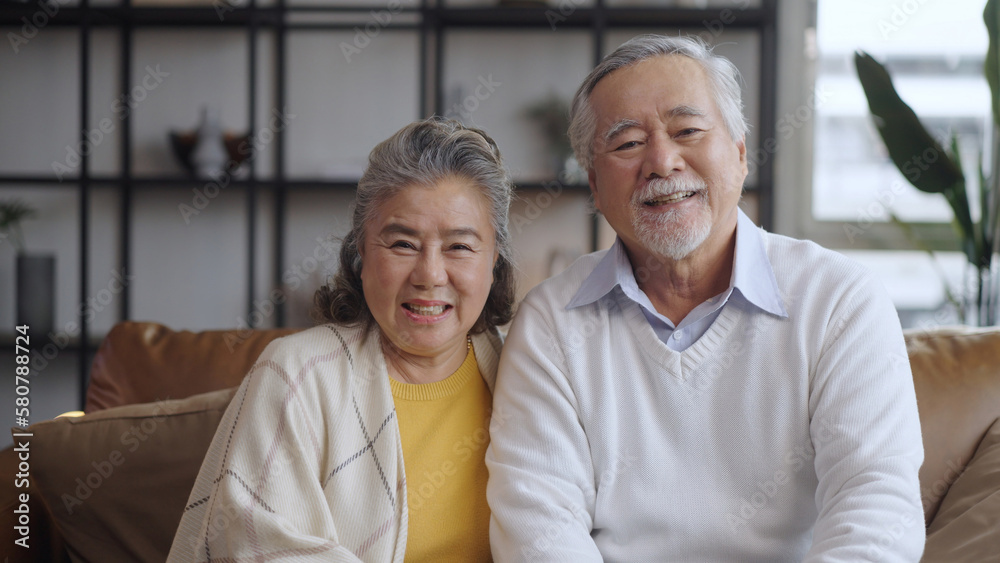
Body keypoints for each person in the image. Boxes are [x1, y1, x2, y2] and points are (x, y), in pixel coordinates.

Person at [486, 35, 924, 562]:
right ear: (596, 187)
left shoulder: (839, 302)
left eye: (688, 130)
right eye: (626, 143)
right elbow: (540, 528)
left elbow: (876, 508)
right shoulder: (551, 323)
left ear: (739, 156)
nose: (662, 161)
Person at [168, 117, 515, 562]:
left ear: (493, 262)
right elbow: (259, 546)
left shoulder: (526, 370)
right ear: (361, 255)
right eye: (403, 244)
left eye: (460, 247)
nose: (430, 275)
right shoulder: (297, 372)